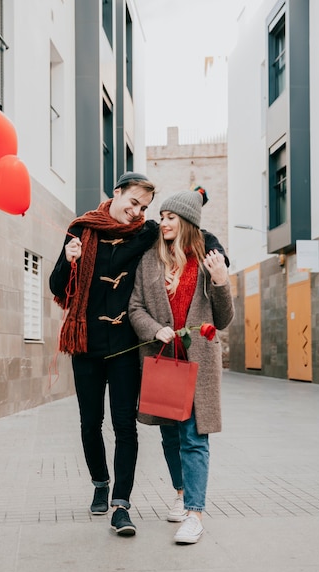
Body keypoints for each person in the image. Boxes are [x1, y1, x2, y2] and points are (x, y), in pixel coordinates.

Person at [49, 174, 229, 537]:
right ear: (116, 193)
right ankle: (104, 482)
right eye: (135, 204)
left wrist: (219, 260)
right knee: (101, 424)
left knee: (141, 428)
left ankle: (128, 505)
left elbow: (195, 234)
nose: (141, 213)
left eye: (146, 208)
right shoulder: (83, 231)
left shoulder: (146, 235)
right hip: (93, 344)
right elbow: (60, 289)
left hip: (133, 350)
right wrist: (70, 262)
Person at [128, 188, 234, 544]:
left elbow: (223, 319)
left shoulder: (208, 260)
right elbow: (135, 308)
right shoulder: (149, 261)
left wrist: (220, 282)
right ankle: (179, 492)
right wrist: (155, 329)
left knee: (194, 437)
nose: (163, 223)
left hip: (198, 363)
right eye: (162, 217)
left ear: (187, 221)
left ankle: (195, 513)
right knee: (169, 435)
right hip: (164, 362)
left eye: (171, 217)